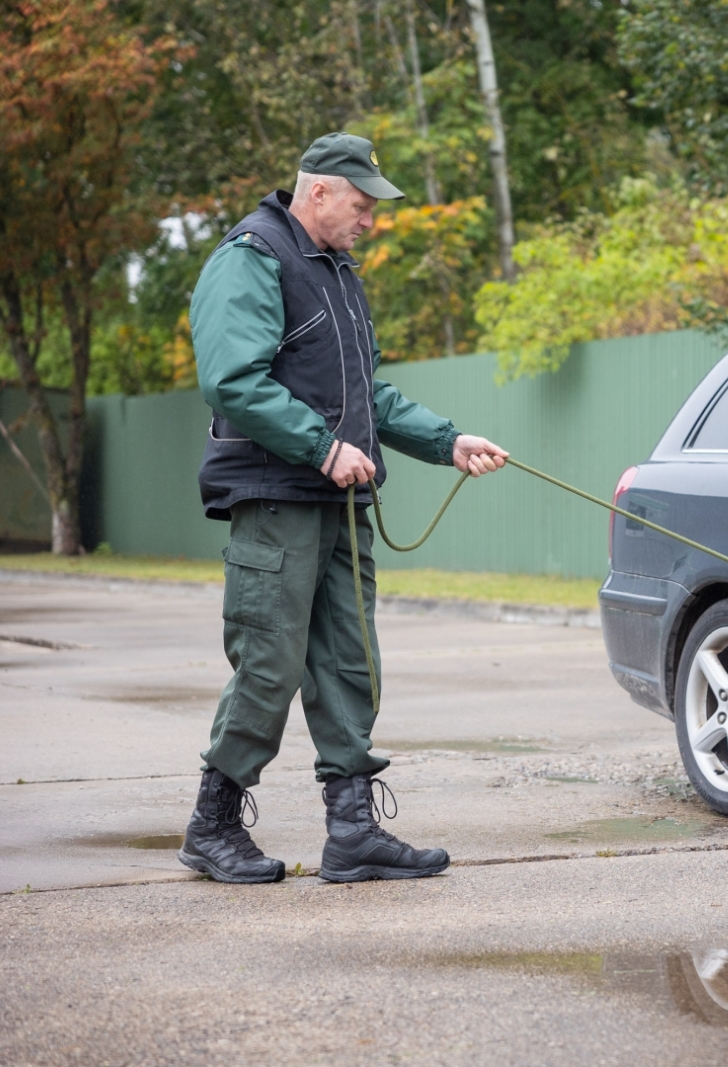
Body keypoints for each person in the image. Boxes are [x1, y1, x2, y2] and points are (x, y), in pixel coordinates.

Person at [179, 132, 509, 884]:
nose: (370, 220)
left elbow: (368, 396)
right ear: (318, 192)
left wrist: (448, 440)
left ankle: (353, 829)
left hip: (340, 502)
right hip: (277, 496)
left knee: (349, 661)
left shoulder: (337, 273)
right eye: (361, 205)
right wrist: (323, 448)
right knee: (270, 661)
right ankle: (213, 822)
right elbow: (233, 380)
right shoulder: (251, 257)